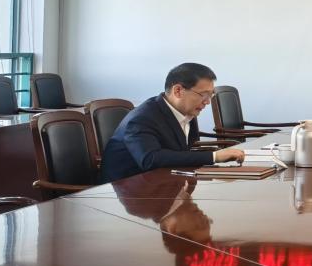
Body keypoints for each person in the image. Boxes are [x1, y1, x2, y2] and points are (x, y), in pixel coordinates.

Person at [99, 62, 245, 182]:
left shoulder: (187, 112)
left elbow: (181, 152)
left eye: (210, 95)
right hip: (126, 192)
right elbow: (151, 159)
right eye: (203, 95)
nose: (207, 102)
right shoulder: (142, 118)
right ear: (178, 91)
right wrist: (214, 156)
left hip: (163, 182)